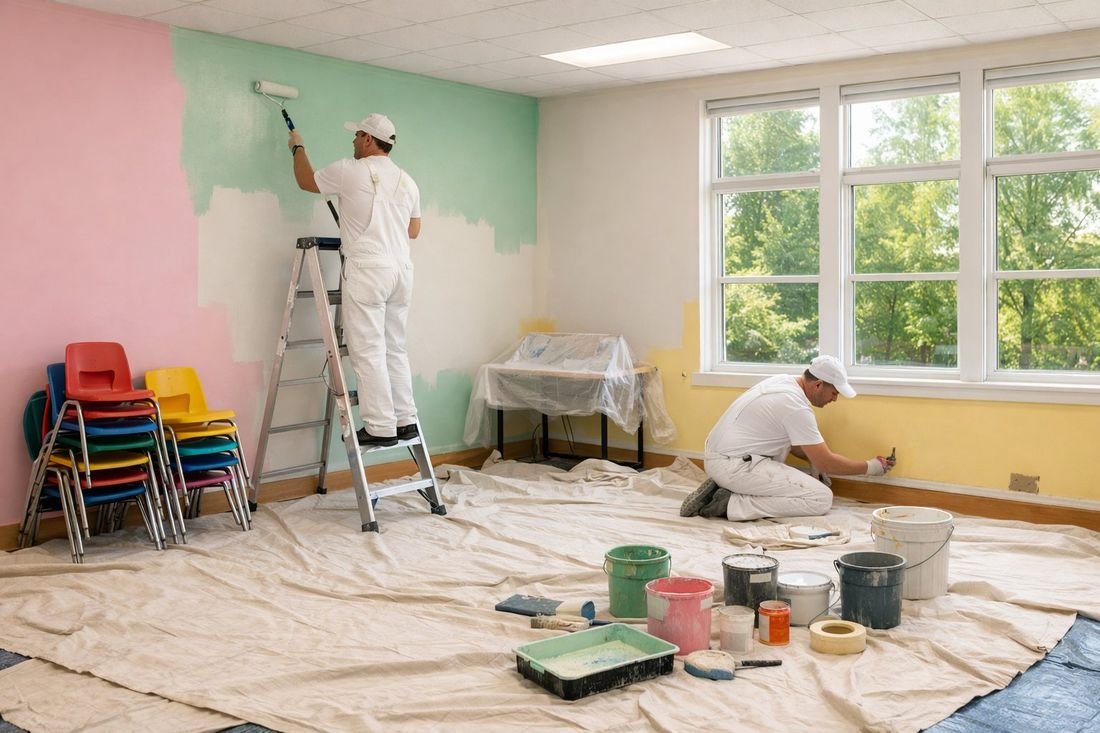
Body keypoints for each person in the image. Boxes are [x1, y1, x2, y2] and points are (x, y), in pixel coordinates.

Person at [288, 113, 422, 447]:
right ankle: (405, 420)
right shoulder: (407, 180)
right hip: (401, 271)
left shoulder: (351, 170)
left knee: (368, 350)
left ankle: (379, 427)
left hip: (369, 270)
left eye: (356, 135)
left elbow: (306, 181)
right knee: (395, 348)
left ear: (367, 139)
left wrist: (297, 146)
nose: (352, 141)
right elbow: (413, 230)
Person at [681, 355, 895, 521]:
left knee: (802, 476)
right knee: (820, 499)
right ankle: (728, 503)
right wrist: (872, 467)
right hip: (733, 466)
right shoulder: (795, 407)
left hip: (723, 456)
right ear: (818, 384)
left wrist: (815, 465)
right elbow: (826, 461)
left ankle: (725, 488)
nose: (835, 399)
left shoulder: (784, 383)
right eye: (834, 392)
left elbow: (797, 445)